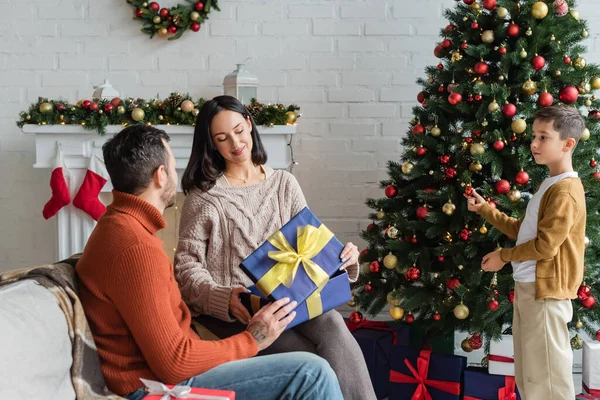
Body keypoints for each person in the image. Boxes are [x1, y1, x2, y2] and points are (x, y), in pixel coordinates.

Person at [76, 125, 343, 400]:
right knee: (312, 372)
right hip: (153, 388)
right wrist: (253, 339)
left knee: (323, 334)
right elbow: (173, 363)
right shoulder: (135, 247)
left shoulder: (120, 226)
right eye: (172, 164)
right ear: (160, 175)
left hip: (160, 372)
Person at [175, 95, 376, 400]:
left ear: (250, 124)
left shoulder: (284, 184)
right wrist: (224, 298)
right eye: (222, 138)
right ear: (212, 144)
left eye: (239, 130)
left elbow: (309, 245)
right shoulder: (204, 198)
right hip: (236, 313)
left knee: (333, 322)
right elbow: (186, 269)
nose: (236, 143)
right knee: (312, 361)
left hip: (290, 299)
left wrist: (343, 259)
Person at [465, 104, 586, 400]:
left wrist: (503, 256)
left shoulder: (565, 191)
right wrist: (485, 210)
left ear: (568, 144)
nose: (533, 143)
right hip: (531, 288)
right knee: (532, 377)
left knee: (549, 381)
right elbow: (525, 230)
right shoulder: (550, 184)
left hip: (545, 293)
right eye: (534, 135)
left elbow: (545, 247)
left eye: (544, 137)